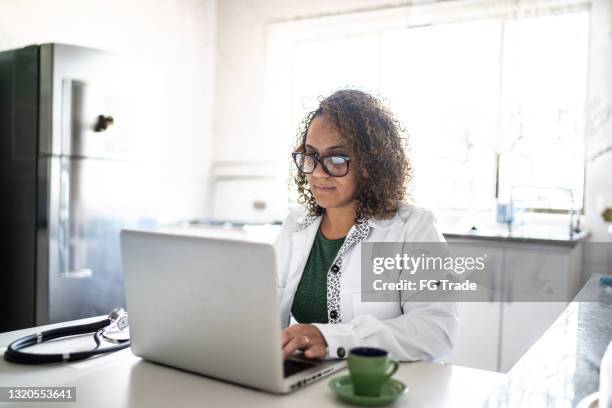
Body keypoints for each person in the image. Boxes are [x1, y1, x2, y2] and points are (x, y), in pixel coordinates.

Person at [275, 89, 458, 362]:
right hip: (310, 384)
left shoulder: (412, 227)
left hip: (387, 389)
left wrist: (331, 339)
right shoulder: (295, 226)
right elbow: (262, 315)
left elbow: (437, 330)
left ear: (371, 165)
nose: (317, 172)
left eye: (337, 159)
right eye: (311, 156)